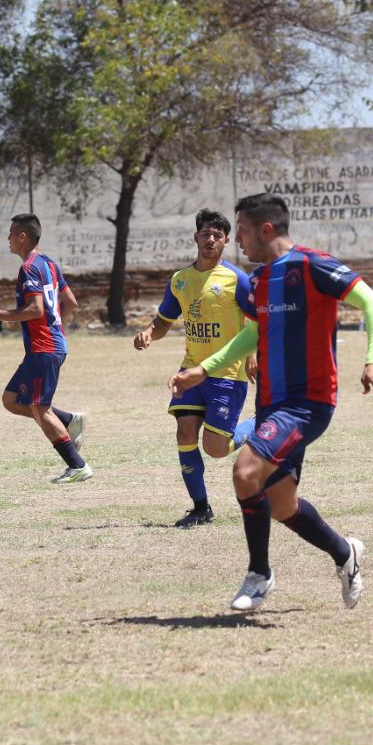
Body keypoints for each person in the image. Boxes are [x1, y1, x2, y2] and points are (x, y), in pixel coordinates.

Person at [170, 194, 373, 613]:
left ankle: (259, 574)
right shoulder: (259, 280)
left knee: (245, 472)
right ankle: (345, 553)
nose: (236, 239)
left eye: (240, 230)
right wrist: (204, 369)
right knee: (281, 505)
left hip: (307, 403)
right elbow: (253, 335)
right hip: (271, 404)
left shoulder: (313, 265)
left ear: (265, 229)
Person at [133, 209, 256, 528]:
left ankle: (259, 424)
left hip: (228, 373)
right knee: (184, 433)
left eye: (217, 235)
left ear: (226, 241)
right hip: (191, 370)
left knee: (215, 448)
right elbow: (164, 321)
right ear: (196, 238)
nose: (210, 239)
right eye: (205, 234)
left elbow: (258, 319)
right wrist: (149, 332)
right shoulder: (180, 280)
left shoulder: (237, 279)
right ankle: (201, 508)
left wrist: (252, 355)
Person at [0, 214, 91, 484]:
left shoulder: (29, 268)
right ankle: (69, 420)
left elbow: (35, 309)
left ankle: (77, 465)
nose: (8, 238)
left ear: (23, 236)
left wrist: (0, 315)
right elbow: (71, 302)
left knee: (38, 407)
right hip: (47, 346)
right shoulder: (49, 264)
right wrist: (56, 327)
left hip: (44, 347)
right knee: (11, 400)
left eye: (11, 233)